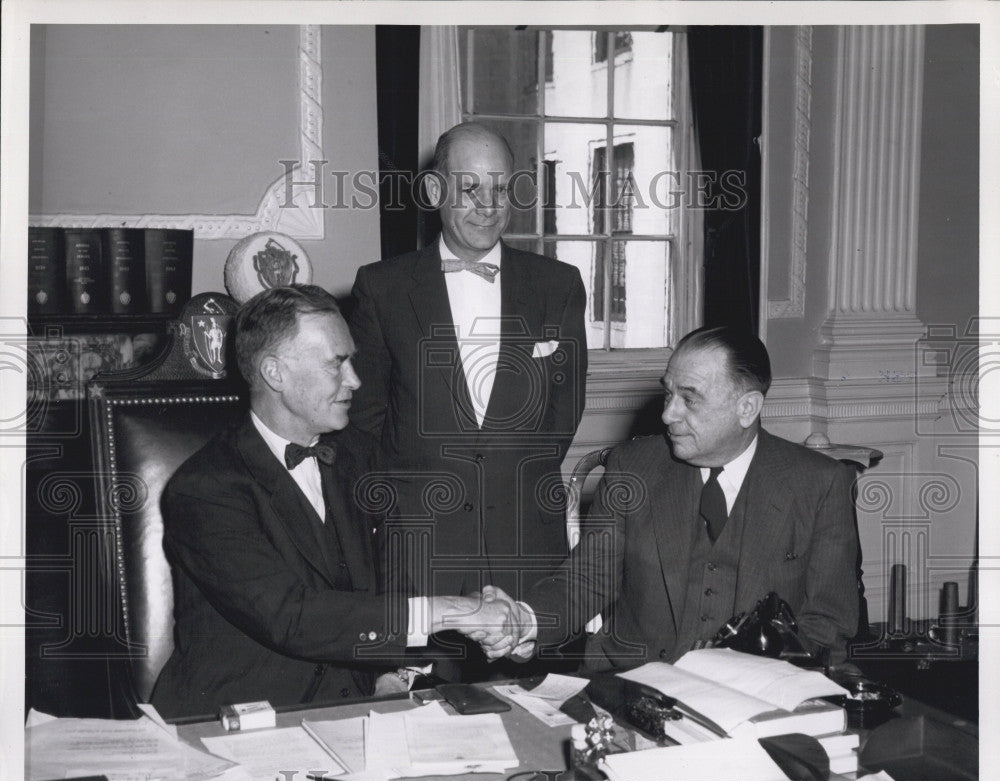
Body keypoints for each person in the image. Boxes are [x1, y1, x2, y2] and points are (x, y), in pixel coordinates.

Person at [150, 285, 521, 718]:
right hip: (241, 720)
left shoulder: (359, 456)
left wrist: (392, 673)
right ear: (275, 374)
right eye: (336, 364)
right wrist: (457, 612)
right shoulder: (204, 489)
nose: (355, 381)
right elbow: (292, 616)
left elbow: (395, 575)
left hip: (358, 709)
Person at [489, 326, 860, 669]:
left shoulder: (820, 483)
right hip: (631, 682)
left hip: (758, 697)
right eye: (668, 392)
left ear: (747, 408)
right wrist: (527, 618)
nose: (668, 414)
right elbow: (587, 581)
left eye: (689, 399)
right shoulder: (634, 468)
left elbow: (827, 625)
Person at [342, 122, 587, 612]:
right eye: (470, 189)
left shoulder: (557, 285)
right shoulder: (381, 288)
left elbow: (562, 417)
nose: (488, 206)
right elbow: (363, 426)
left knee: (532, 689)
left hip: (529, 548)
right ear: (435, 191)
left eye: (500, 189)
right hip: (420, 551)